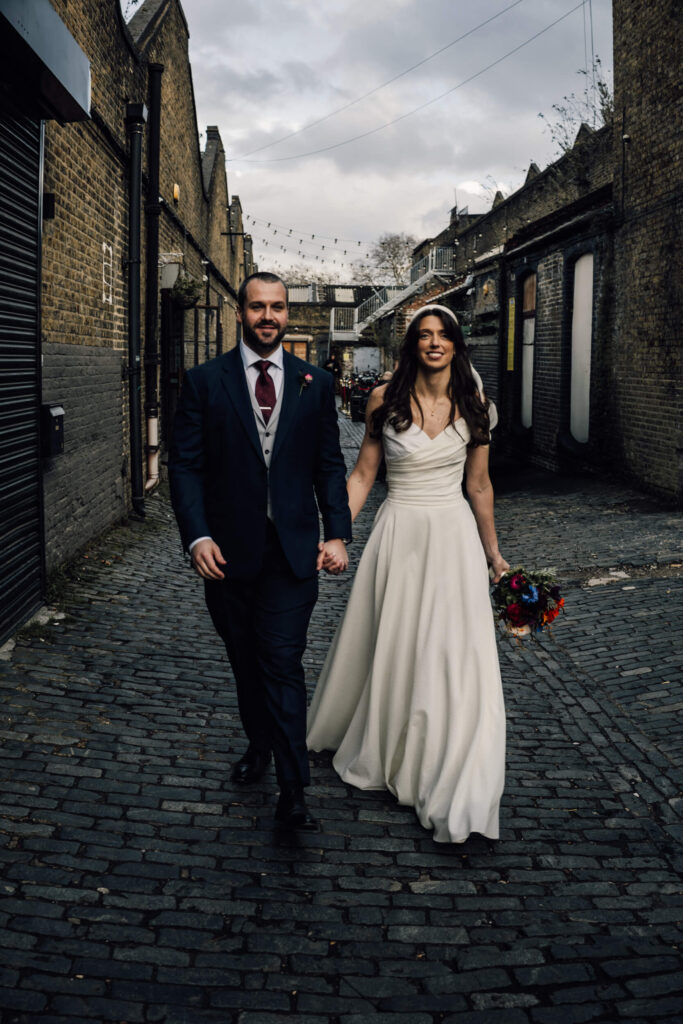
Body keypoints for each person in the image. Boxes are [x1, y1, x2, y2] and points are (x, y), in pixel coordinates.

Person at [308, 304, 509, 844]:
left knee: (450, 651)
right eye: (425, 335)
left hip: (452, 539)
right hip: (399, 536)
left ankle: (447, 749)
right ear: (412, 345)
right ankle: (390, 740)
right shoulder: (383, 401)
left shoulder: (476, 404)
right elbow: (363, 476)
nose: (435, 343)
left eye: (444, 335)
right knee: (398, 645)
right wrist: (335, 534)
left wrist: (494, 555)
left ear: (457, 344)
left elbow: (480, 487)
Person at [169, 272, 351, 832]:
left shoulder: (314, 383)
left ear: (286, 314)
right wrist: (197, 535)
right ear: (241, 311)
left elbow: (328, 464)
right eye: (257, 307)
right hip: (227, 555)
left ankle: (294, 791)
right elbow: (186, 466)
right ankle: (259, 744)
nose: (268, 316)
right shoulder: (204, 382)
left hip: (294, 555)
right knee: (246, 662)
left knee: (281, 661)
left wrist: (338, 531)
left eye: (276, 308)